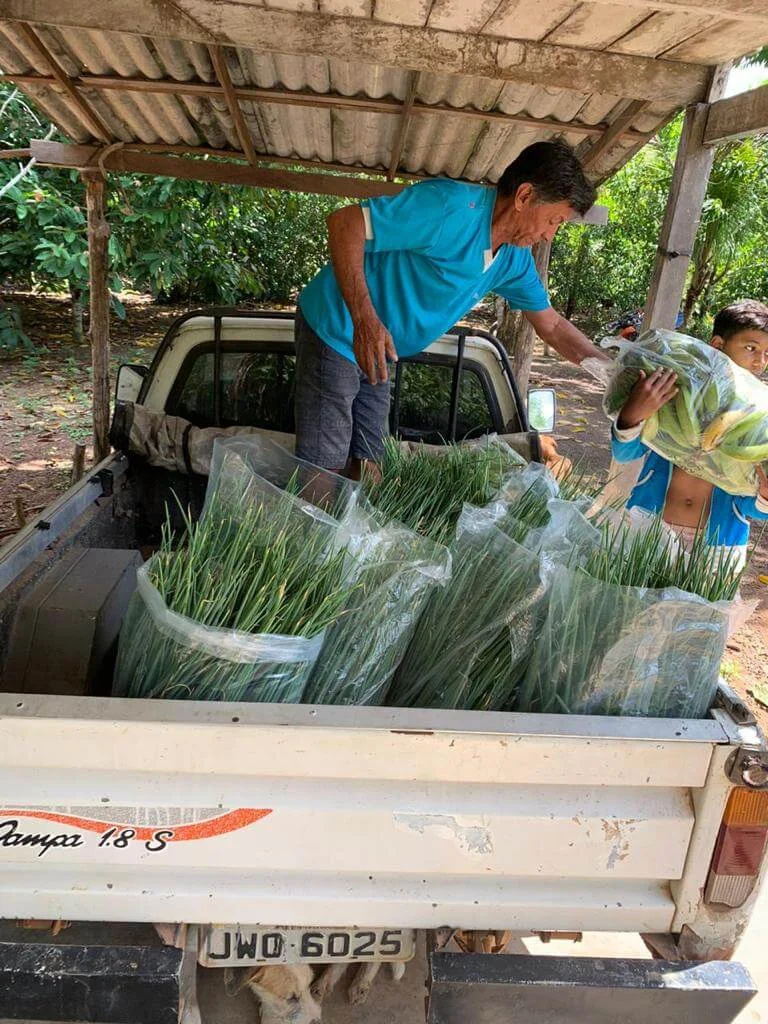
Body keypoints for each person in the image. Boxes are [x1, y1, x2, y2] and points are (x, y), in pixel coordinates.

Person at [294, 140, 609, 477]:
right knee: (323, 466)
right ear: (524, 196)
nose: (550, 235)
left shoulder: (513, 261)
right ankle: (314, 522)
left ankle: (356, 525)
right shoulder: (449, 208)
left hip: (381, 348)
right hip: (338, 326)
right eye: (554, 220)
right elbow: (344, 224)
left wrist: (613, 372)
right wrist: (365, 320)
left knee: (370, 461)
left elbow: (553, 327)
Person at [611, 300, 768, 563]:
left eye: (767, 354)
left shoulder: (759, 418)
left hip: (720, 547)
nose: (759, 362)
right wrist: (631, 415)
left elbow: (754, 508)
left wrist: (764, 496)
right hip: (650, 528)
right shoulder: (681, 390)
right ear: (717, 345)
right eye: (751, 348)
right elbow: (626, 454)